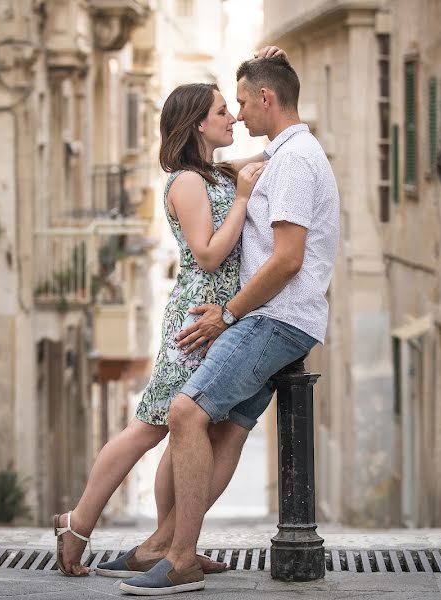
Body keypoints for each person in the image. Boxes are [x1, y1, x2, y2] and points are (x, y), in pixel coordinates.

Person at [118, 50, 340, 596]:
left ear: (267, 98)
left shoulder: (293, 161)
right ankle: (169, 548)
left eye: (241, 102)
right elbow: (225, 178)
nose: (237, 115)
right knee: (226, 431)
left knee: (184, 413)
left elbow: (287, 258)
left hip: (273, 319)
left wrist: (229, 314)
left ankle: (180, 559)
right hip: (282, 318)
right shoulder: (287, 154)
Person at [53, 81, 268, 577]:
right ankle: (79, 522)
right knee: (148, 427)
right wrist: (241, 199)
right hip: (196, 320)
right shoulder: (188, 183)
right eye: (221, 111)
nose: (233, 118)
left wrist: (272, 74)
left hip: (216, 318)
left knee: (183, 433)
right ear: (196, 123)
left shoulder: (215, 172)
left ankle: (168, 544)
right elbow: (209, 255)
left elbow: (275, 154)